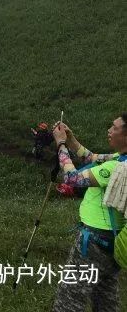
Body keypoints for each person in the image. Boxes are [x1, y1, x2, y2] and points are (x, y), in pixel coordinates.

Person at [50, 115, 127, 312]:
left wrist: (60, 145)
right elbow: (91, 158)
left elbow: (72, 179)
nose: (109, 130)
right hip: (114, 242)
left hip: (94, 242)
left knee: (70, 298)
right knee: (106, 299)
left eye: (115, 128)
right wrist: (71, 139)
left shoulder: (116, 168)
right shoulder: (121, 159)